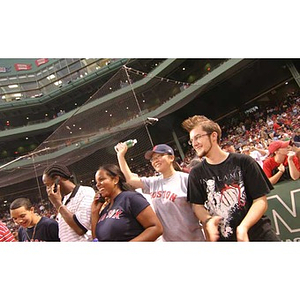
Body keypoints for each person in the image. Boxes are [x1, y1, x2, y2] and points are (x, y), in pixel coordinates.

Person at [181, 115, 280, 241]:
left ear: (213, 136)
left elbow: (260, 201)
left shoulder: (244, 162)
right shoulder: (195, 173)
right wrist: (208, 220)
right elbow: (197, 206)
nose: (194, 143)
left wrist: (244, 227)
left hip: (259, 235)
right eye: (191, 140)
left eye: (198, 137)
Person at [115, 142, 205, 241]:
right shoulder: (153, 182)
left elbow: (201, 210)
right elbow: (130, 179)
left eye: (160, 156)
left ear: (171, 158)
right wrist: (120, 156)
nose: (155, 160)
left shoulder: (186, 179)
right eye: (153, 159)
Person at [91, 164, 163, 241]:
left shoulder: (131, 198)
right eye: (96, 182)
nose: (97, 184)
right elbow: (96, 239)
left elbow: (156, 228)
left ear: (115, 180)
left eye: (101, 179)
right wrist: (94, 212)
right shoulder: (105, 210)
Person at [42, 163, 95, 242]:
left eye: (48, 185)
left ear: (57, 179)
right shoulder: (63, 200)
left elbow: (81, 229)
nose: (47, 189)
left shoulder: (85, 192)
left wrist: (57, 204)